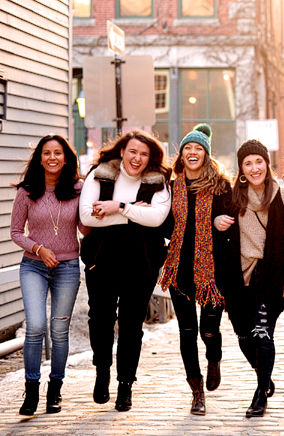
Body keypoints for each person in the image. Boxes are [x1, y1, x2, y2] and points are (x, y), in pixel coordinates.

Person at [79, 130, 172, 412]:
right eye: (132, 151)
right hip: (101, 259)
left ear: (150, 158)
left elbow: (156, 219)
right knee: (101, 319)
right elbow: (86, 215)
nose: (137, 158)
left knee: (132, 325)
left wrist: (116, 207)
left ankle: (125, 385)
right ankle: (102, 372)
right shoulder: (100, 174)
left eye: (144, 154)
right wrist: (133, 213)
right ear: (122, 151)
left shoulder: (158, 183)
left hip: (141, 262)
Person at [158, 125, 239, 415]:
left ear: (206, 154)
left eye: (199, 149)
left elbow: (232, 220)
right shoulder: (171, 187)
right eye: (188, 148)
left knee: (208, 331)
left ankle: (214, 358)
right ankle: (196, 392)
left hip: (211, 273)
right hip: (180, 269)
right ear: (182, 154)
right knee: (187, 331)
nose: (193, 153)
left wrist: (219, 222)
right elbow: (164, 223)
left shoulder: (221, 186)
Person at [223, 139, 284, 417]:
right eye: (248, 163)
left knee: (262, 332)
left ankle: (259, 396)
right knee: (244, 335)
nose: (255, 168)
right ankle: (264, 377)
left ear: (267, 164)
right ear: (242, 169)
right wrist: (216, 221)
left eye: (259, 161)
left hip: (269, 274)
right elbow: (218, 225)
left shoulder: (281, 194)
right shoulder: (233, 196)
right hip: (237, 276)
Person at [11, 135, 87, 415]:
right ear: (40, 158)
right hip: (33, 266)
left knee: (59, 330)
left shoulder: (78, 189)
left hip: (67, 268)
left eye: (58, 153)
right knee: (34, 327)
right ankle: (31, 392)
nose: (52, 158)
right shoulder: (27, 190)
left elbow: (84, 227)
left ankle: (55, 391)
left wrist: (98, 215)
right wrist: (39, 249)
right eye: (47, 153)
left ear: (66, 158)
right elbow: (16, 232)